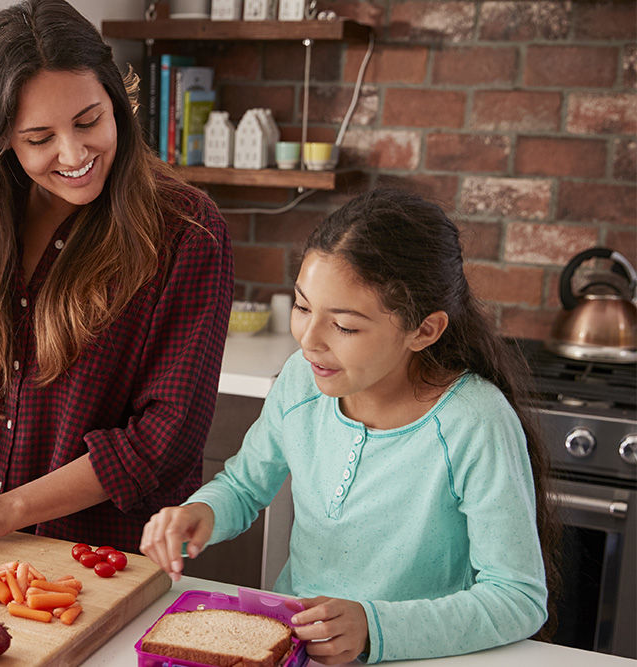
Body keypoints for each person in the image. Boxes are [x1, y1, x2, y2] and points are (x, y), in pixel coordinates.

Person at [140, 189, 560, 665]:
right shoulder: (301, 380)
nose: (309, 341)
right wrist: (202, 512)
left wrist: (373, 628)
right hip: (299, 650)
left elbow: (517, 598)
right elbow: (243, 485)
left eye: (344, 326)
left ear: (424, 330)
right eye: (302, 307)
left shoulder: (474, 422)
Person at [0, 0, 233, 554]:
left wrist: (10, 509)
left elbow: (165, 436)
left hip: (108, 559)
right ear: (3, 140)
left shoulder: (186, 230)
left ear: (116, 102)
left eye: (89, 121)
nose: (74, 153)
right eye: (40, 138)